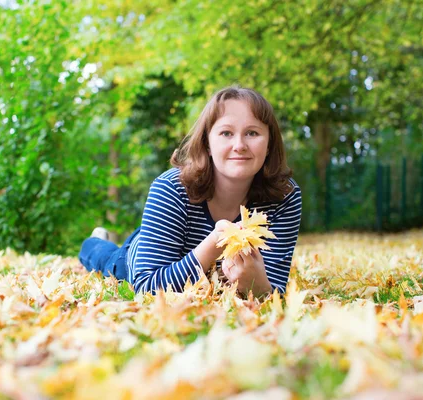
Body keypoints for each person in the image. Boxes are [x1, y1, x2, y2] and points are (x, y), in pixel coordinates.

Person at [79, 86, 302, 298]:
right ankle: (94, 241)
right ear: (207, 143)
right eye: (226, 133)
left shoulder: (285, 197)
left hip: (193, 266)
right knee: (106, 260)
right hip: (146, 256)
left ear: (270, 143)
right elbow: (147, 287)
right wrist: (216, 241)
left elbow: (274, 290)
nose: (239, 145)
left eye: (252, 133)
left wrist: (257, 283)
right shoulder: (171, 187)